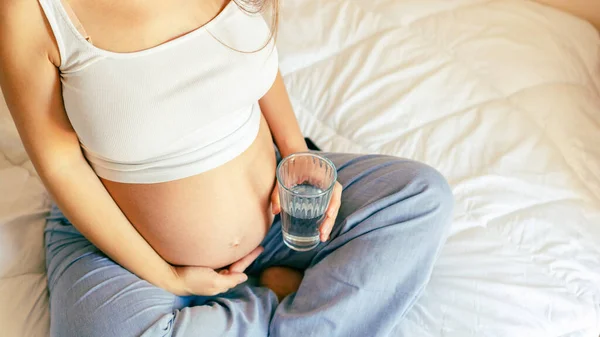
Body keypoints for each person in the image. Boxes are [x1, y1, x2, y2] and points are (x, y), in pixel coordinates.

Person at [0, 0, 453, 336]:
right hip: (126, 246)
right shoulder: (32, 12)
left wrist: (297, 161)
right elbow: (59, 164)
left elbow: (254, 56)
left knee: (419, 198)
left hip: (279, 213)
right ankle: (273, 300)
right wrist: (166, 275)